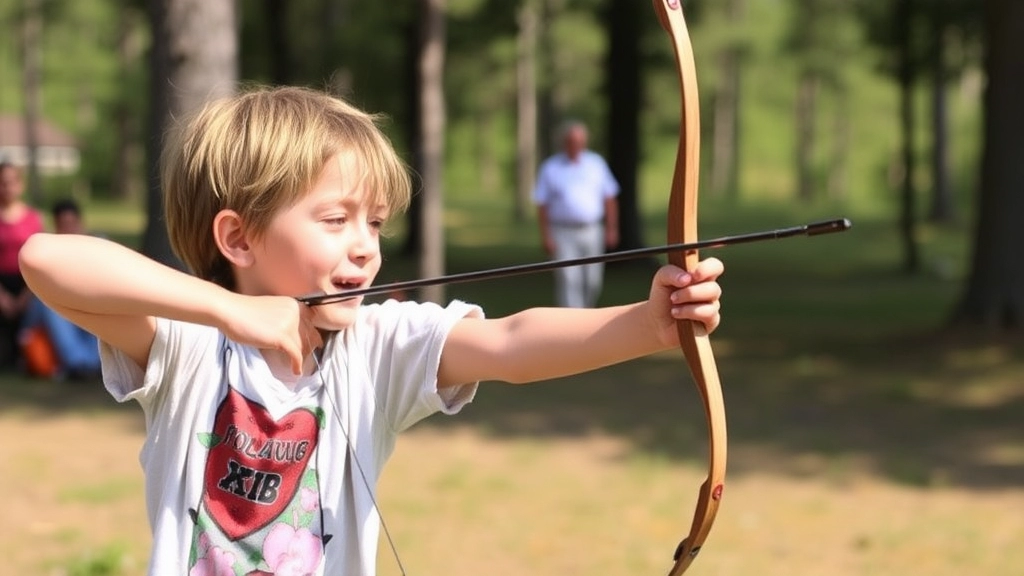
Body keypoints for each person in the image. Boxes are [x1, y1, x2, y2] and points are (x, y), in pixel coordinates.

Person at [19, 86, 724, 576]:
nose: (366, 247)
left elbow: (510, 344)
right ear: (237, 236)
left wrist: (648, 323)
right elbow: (45, 259)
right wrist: (231, 312)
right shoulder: (189, 345)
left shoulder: (376, 346)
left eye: (376, 223)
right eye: (336, 220)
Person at [532, 120, 620, 308]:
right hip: (562, 231)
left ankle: (586, 315)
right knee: (569, 278)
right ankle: (572, 321)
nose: (576, 145)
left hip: (591, 229)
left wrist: (612, 228)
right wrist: (546, 236)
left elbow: (609, 197)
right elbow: (542, 204)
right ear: (565, 143)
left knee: (592, 279)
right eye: (572, 141)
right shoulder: (551, 167)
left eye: (580, 141)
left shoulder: (596, 164)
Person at [20, 198, 101, 380]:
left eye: (72, 224)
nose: (69, 229)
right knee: (49, 306)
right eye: (63, 225)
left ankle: (90, 364)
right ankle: (79, 364)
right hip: (57, 309)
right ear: (55, 227)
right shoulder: (47, 253)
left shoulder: (96, 249)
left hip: (86, 307)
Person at [0, 161, 45, 370]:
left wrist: (27, 294)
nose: (7, 187)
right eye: (2, 183)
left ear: (20, 185)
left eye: (11, 182)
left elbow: (41, 259)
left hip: (28, 284)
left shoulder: (33, 218)